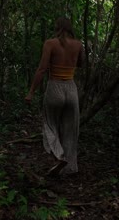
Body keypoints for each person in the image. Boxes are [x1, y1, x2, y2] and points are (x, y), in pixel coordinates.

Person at [25, 17, 84, 176]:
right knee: (71, 130)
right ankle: (69, 168)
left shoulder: (50, 44)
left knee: (50, 124)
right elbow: (81, 64)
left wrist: (31, 91)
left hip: (54, 87)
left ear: (57, 28)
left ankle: (59, 156)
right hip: (71, 90)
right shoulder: (78, 45)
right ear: (70, 28)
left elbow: (42, 70)